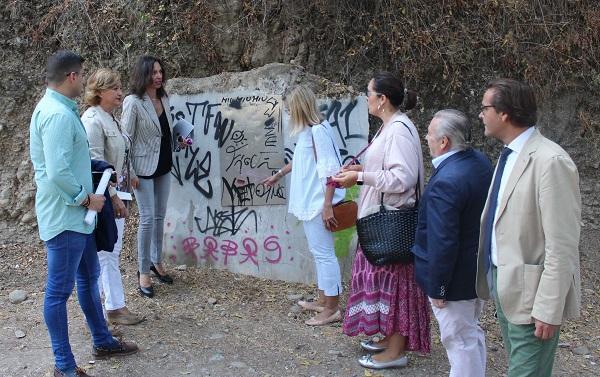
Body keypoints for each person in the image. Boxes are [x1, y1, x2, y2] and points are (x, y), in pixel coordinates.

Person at [30, 50, 138, 377]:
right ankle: (64, 366)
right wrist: (86, 199)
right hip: (67, 217)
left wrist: (96, 171)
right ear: (73, 76)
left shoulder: (59, 109)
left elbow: (69, 162)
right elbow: (58, 171)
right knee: (59, 292)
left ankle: (102, 340)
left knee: (89, 279)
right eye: (82, 74)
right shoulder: (58, 115)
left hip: (77, 218)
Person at [475, 79, 581, 377]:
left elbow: (562, 244)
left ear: (504, 113)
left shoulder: (551, 161)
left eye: (485, 108)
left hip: (533, 298)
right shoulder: (510, 154)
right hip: (505, 285)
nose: (481, 115)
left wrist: (549, 308)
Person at [332, 72, 430, 369]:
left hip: (393, 223)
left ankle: (396, 351)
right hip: (384, 219)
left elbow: (403, 178)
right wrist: (361, 168)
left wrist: (359, 176)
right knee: (388, 283)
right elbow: (387, 167)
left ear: (382, 99)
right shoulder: (391, 126)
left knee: (397, 286)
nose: (366, 98)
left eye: (369, 93)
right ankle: (390, 339)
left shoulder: (398, 130)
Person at [412, 110, 492, 377]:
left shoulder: (446, 181)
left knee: (459, 341)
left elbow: (443, 241)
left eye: (430, 135)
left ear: (444, 141)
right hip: (476, 269)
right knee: (470, 333)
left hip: (454, 279)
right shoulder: (479, 162)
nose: (426, 138)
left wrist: (439, 287)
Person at [262, 85, 345, 325]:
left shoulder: (319, 131)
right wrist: (278, 175)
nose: (288, 113)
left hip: (318, 204)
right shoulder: (310, 131)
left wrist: (327, 205)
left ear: (299, 107)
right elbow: (300, 160)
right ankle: (323, 301)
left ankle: (332, 309)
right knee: (320, 254)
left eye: (290, 108)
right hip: (312, 203)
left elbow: (329, 171)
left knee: (325, 255)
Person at [81, 68, 143, 325]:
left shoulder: (110, 118)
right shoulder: (93, 120)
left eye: (120, 87)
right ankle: (113, 308)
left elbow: (120, 154)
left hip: (120, 192)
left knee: (112, 249)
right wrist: (114, 196)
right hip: (105, 196)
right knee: (107, 250)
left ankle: (112, 305)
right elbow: (96, 163)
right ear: (99, 92)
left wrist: (132, 175)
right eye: (114, 88)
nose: (120, 92)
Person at [122, 55, 186, 297]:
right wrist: (129, 172)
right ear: (143, 75)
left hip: (164, 165)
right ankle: (143, 271)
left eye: (160, 71)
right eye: (153, 72)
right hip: (142, 170)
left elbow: (166, 132)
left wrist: (180, 141)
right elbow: (125, 140)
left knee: (160, 216)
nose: (158, 76)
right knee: (147, 219)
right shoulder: (133, 102)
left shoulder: (164, 97)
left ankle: (156, 261)